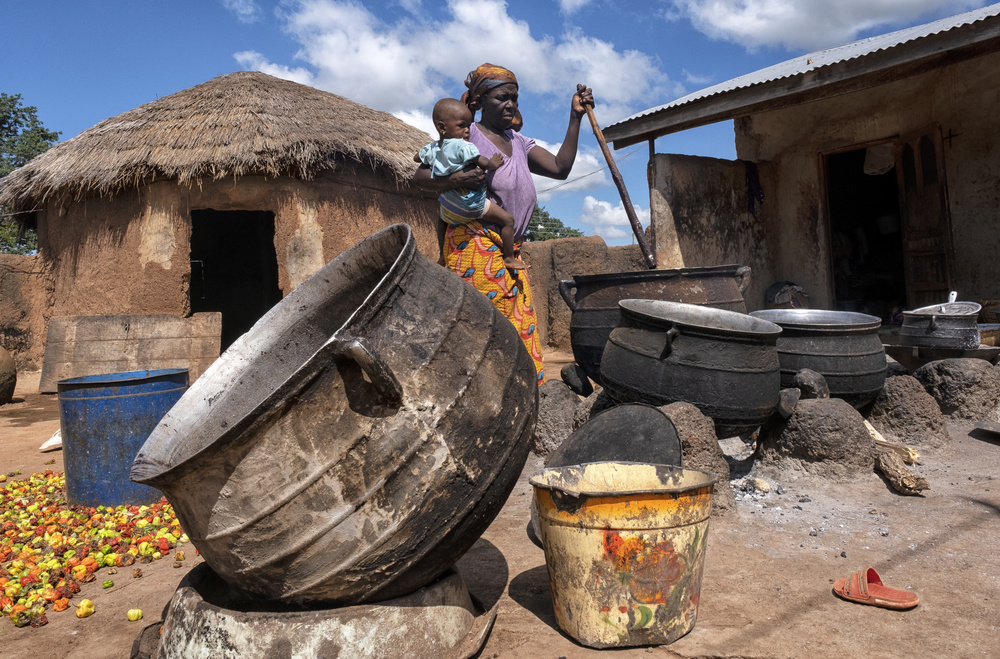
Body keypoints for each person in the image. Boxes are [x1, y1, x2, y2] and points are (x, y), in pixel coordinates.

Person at [413, 63, 593, 384]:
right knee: (489, 339)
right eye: (503, 98)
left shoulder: (520, 143)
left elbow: (560, 167)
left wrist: (575, 117)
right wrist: (459, 176)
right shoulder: (468, 137)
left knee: (517, 335)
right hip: (476, 245)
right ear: (480, 101)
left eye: (515, 97)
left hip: (510, 252)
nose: (512, 104)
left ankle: (523, 405)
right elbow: (422, 175)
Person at [416, 98, 526, 271]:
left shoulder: (432, 148)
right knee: (507, 220)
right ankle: (509, 258)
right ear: (442, 127)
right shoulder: (464, 146)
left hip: (449, 205)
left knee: (441, 219)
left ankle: (442, 255)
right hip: (472, 203)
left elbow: (417, 158)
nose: (468, 131)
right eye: (462, 126)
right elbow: (482, 162)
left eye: (469, 126)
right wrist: (493, 163)